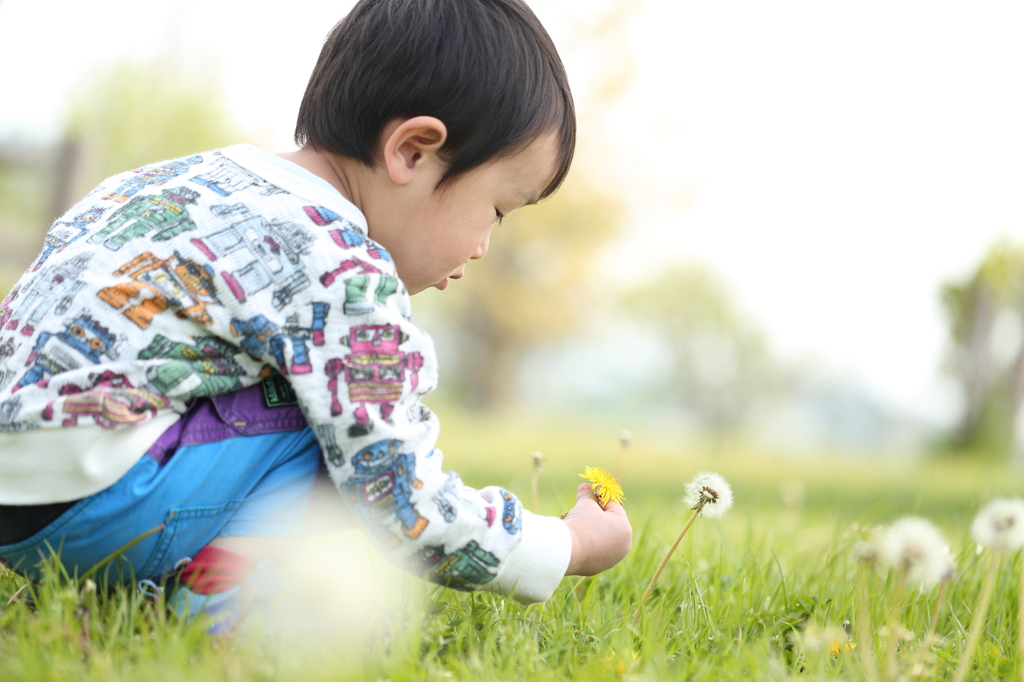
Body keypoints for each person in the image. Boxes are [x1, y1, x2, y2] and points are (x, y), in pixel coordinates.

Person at [0, 0, 631, 628]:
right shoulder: (339, 263)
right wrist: (566, 545)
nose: (484, 246)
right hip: (98, 499)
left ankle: (128, 592)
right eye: (496, 210)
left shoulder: (168, 184)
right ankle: (223, 617)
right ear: (413, 151)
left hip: (19, 492)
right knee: (340, 426)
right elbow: (405, 503)